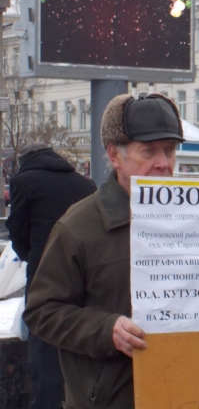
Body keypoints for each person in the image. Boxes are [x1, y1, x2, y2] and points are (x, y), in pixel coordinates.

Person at [23, 94, 199, 409]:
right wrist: (106, 330)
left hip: (188, 391)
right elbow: (42, 311)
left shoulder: (191, 216)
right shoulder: (78, 227)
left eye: (170, 150)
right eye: (149, 151)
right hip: (111, 399)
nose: (163, 162)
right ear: (115, 156)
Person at [6, 143, 96, 409]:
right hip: (83, 275)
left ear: (24, 161)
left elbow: (17, 232)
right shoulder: (85, 184)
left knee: (44, 351)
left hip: (44, 277)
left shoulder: (23, 182)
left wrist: (33, 256)